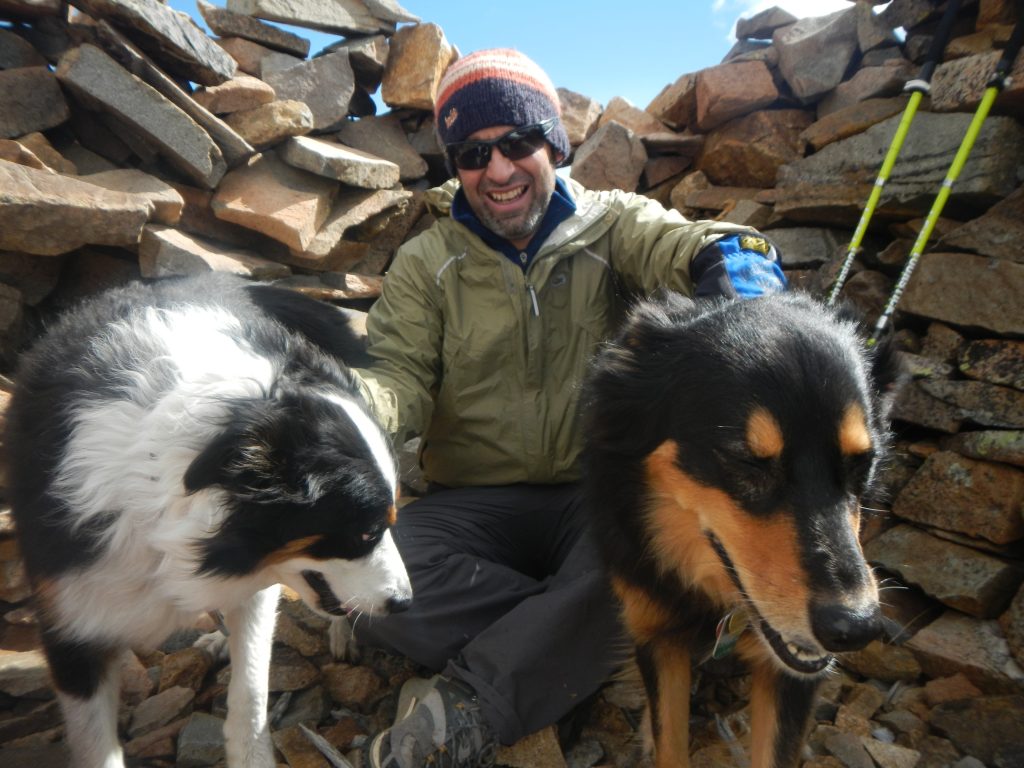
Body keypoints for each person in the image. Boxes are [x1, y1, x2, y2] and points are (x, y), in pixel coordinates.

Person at [350, 48, 787, 768]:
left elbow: (704, 246)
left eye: (518, 143)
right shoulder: (429, 264)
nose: (498, 172)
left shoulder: (615, 226)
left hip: (601, 495)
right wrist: (351, 413)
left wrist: (741, 286)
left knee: (637, 551)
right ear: (455, 165)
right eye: (472, 153)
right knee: (379, 568)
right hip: (474, 502)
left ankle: (471, 706)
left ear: (553, 142)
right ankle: (613, 629)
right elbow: (396, 375)